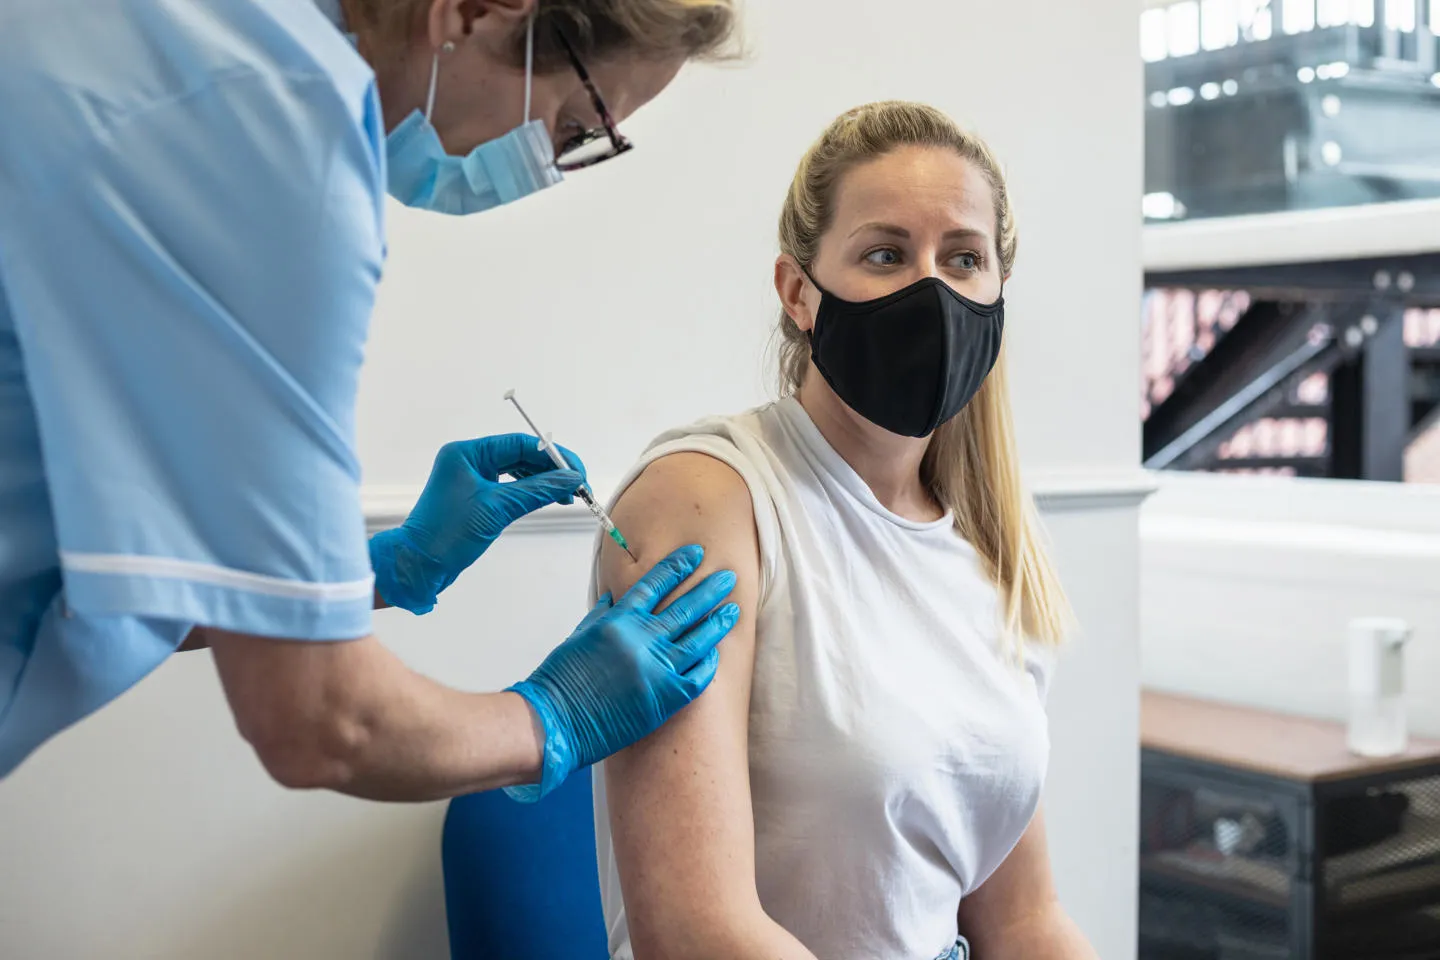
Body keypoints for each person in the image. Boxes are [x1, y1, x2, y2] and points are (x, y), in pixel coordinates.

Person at [0, 0, 743, 803]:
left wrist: (382, 569)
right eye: (573, 125)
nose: (550, 167)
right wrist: (552, 715)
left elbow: (103, 556)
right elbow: (322, 722)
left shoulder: (172, 41)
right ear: (478, 11)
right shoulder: (275, 139)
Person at [590, 102, 1101, 959]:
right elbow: (695, 932)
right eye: (885, 254)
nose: (930, 290)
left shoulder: (983, 546)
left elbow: (1022, 921)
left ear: (998, 293)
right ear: (799, 292)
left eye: (964, 259)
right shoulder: (707, 500)